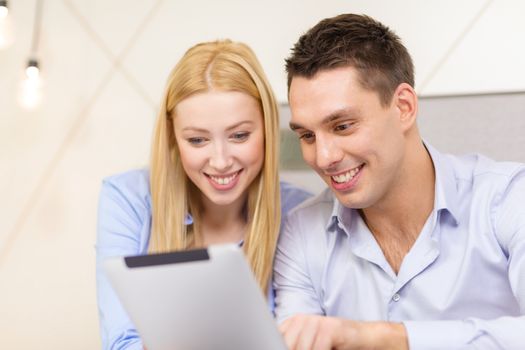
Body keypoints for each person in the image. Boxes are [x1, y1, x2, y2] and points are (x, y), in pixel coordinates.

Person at [274, 13, 525, 350]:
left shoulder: (507, 198)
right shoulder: (303, 231)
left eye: (343, 126)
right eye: (306, 135)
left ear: (404, 107)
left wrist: (385, 339)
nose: (323, 157)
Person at [95, 40, 311, 350]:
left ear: (267, 127)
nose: (221, 161)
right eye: (197, 140)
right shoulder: (128, 200)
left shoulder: (300, 212)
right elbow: (120, 343)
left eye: (239, 135)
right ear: (173, 137)